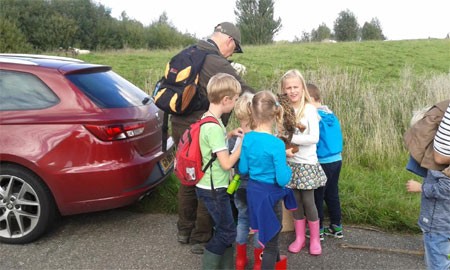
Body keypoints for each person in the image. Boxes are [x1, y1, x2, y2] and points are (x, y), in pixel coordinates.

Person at [171, 22, 255, 254]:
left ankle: (184, 229)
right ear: (229, 41)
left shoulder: (188, 52)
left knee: (188, 176)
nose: (231, 54)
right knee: (208, 176)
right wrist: (266, 103)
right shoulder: (215, 61)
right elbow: (242, 88)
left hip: (180, 127)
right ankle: (201, 238)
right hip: (203, 128)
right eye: (234, 49)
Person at [238, 90, 295, 269]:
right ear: (275, 113)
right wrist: (287, 165)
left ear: (252, 112)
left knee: (270, 233)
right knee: (270, 242)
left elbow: (243, 169)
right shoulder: (277, 144)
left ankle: (278, 264)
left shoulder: (248, 139)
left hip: (253, 192)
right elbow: (281, 179)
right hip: (270, 196)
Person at [195, 73, 243, 269]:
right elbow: (226, 163)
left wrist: (230, 134)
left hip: (208, 184)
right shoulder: (214, 127)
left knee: (224, 229)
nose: (235, 104)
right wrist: (242, 145)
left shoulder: (209, 119)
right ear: (226, 100)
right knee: (227, 232)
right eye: (236, 100)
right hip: (214, 188)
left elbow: (212, 146)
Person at [279, 69, 327, 256]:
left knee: (309, 201)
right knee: (295, 202)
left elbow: (313, 137)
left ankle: (314, 238)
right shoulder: (283, 109)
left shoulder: (309, 109)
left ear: (302, 87)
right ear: (283, 90)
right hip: (291, 163)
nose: (292, 91)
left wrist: (291, 138)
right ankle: (299, 237)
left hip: (307, 164)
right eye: (288, 88)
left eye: (295, 87)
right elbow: (280, 132)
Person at [406, 103, 450, 270]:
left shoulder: (440, 164)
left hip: (437, 224)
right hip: (444, 222)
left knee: (437, 264)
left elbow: (446, 188)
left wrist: (421, 188)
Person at [228, 92, 263, 270]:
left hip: (239, 186)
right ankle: (258, 262)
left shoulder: (236, 136)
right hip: (258, 188)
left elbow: (228, 157)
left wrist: (229, 134)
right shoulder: (260, 138)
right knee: (258, 224)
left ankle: (240, 260)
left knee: (242, 220)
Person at [307, 83, 344, 240]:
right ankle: (337, 226)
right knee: (332, 193)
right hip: (337, 159)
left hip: (322, 161)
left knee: (317, 195)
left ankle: (319, 229)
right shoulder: (331, 114)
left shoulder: (315, 117)